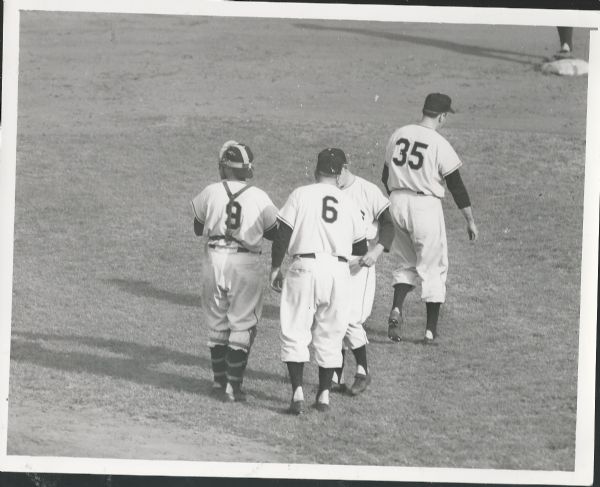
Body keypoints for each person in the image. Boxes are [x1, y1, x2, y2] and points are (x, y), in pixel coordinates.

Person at [270, 148, 367, 415]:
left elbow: (282, 234)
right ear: (339, 175)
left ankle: (298, 394)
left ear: (316, 171)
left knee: (295, 330)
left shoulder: (301, 194)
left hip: (305, 267)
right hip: (338, 271)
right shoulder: (348, 201)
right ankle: (324, 395)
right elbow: (361, 247)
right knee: (331, 334)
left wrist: (275, 268)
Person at [382, 93, 478, 344]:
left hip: (396, 202)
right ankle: (429, 331)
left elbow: (385, 175)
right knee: (434, 268)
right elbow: (456, 185)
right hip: (425, 206)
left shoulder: (398, 134)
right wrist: (469, 219)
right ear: (442, 116)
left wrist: (396, 203)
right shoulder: (439, 142)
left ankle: (397, 308)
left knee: (407, 262)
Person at [191, 140, 278, 402]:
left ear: (226, 167)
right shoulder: (259, 196)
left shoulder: (210, 191)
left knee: (217, 321)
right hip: (244, 262)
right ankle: (233, 387)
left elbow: (198, 228)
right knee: (242, 324)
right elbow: (275, 232)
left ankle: (219, 383)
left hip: (214, 259)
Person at [330, 160, 395, 396]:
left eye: (336, 173)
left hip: (360, 262)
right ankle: (336, 376)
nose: (333, 178)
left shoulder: (367, 190)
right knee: (334, 317)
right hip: (334, 260)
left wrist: (377, 251)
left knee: (350, 319)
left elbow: (389, 225)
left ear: (345, 166)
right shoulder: (326, 190)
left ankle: (362, 371)